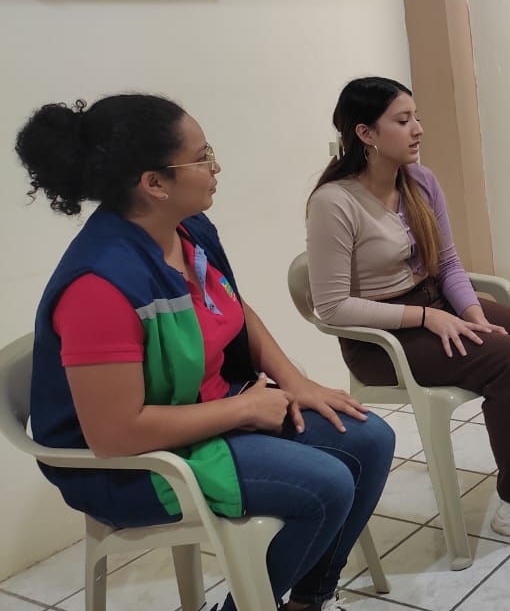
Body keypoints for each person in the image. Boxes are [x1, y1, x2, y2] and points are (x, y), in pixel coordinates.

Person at [17, 94, 395, 611]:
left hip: (206, 412)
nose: (216, 167)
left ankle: (308, 601)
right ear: (154, 183)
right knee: (325, 486)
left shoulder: (186, 230)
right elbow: (114, 435)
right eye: (202, 157)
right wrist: (244, 409)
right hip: (133, 467)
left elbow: (233, 308)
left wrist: (296, 383)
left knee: (370, 439)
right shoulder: (99, 285)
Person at [305, 76, 510, 549]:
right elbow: (333, 307)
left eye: (416, 117)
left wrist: (472, 313)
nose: (418, 128)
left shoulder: (420, 181)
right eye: (403, 120)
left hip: (435, 306)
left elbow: (448, 264)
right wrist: (426, 319)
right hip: (381, 341)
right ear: (366, 133)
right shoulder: (333, 202)